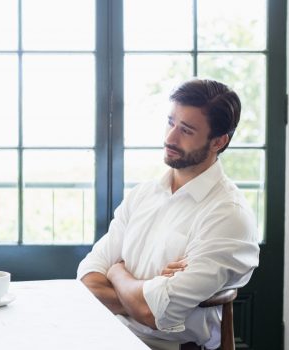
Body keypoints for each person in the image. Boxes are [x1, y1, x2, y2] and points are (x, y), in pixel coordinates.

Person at [76, 79, 259, 350]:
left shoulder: (228, 216)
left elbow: (153, 314)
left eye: (186, 130)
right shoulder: (143, 195)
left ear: (218, 141)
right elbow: (88, 281)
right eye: (171, 122)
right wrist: (145, 292)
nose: (170, 138)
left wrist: (117, 272)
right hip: (111, 337)